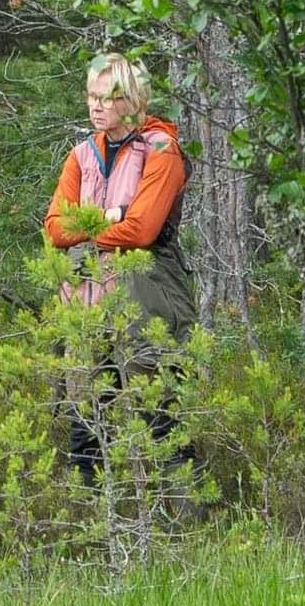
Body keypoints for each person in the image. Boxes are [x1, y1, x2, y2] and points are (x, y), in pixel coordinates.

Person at [44, 54, 196, 478]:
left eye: (107, 98)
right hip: (85, 296)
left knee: (158, 414)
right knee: (84, 420)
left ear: (131, 100)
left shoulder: (161, 150)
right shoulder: (80, 156)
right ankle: (87, 526)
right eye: (91, 97)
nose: (96, 107)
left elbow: (142, 231)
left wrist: (89, 225)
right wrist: (110, 217)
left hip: (144, 292)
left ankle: (185, 527)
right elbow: (55, 228)